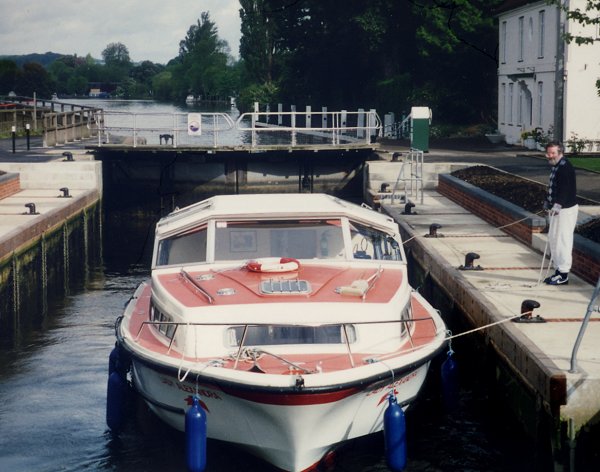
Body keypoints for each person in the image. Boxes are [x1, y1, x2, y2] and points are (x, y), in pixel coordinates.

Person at [543, 141, 578, 285]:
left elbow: (565, 189)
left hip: (565, 210)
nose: (549, 156)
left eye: (553, 153)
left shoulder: (565, 167)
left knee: (563, 240)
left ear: (560, 152)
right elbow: (553, 187)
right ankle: (558, 270)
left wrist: (557, 205)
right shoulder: (557, 166)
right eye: (548, 153)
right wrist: (548, 201)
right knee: (554, 239)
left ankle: (563, 274)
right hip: (557, 210)